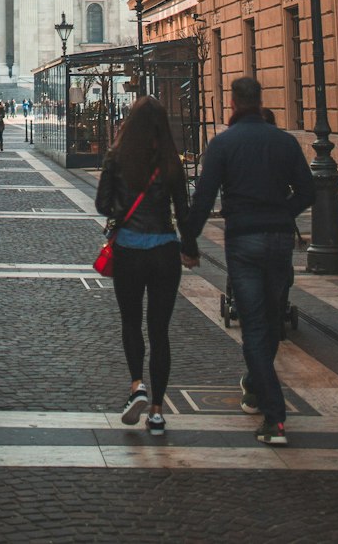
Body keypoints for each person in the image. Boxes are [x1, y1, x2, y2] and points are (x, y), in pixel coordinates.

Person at [185, 76, 315, 446]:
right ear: (260, 102)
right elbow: (308, 191)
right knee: (271, 320)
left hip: (243, 241)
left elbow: (204, 197)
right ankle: (256, 386)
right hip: (278, 241)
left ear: (233, 103)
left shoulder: (223, 144)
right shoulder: (284, 141)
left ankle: (274, 418)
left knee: (255, 326)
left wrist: (189, 241)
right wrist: (281, 212)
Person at [95, 96, 199, 434]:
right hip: (164, 253)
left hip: (128, 251)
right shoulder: (171, 161)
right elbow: (183, 213)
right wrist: (191, 248)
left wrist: (121, 212)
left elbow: (102, 204)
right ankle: (156, 411)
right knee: (159, 331)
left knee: (131, 323)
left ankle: (136, 385)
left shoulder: (116, 157)